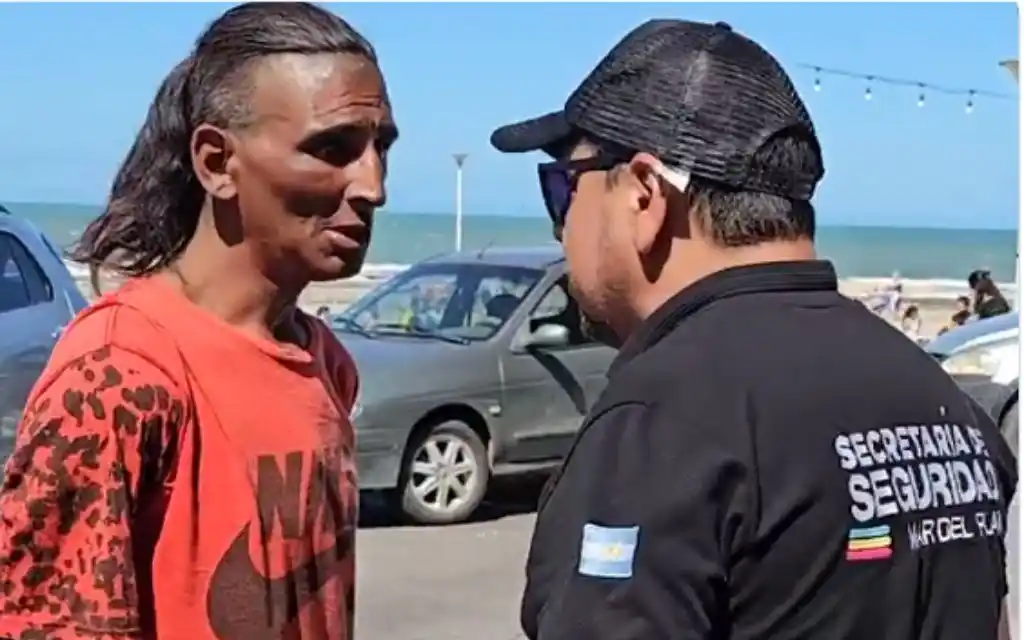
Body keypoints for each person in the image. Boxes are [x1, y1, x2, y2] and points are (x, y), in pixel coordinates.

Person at [490, 18, 1016, 640]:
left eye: (564, 186)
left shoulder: (664, 425)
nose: (561, 223)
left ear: (643, 195)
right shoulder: (940, 400)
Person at [0, 3, 396, 639]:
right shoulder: (117, 374)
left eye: (380, 148)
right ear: (217, 162)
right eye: (332, 148)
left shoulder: (327, 363)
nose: (372, 185)